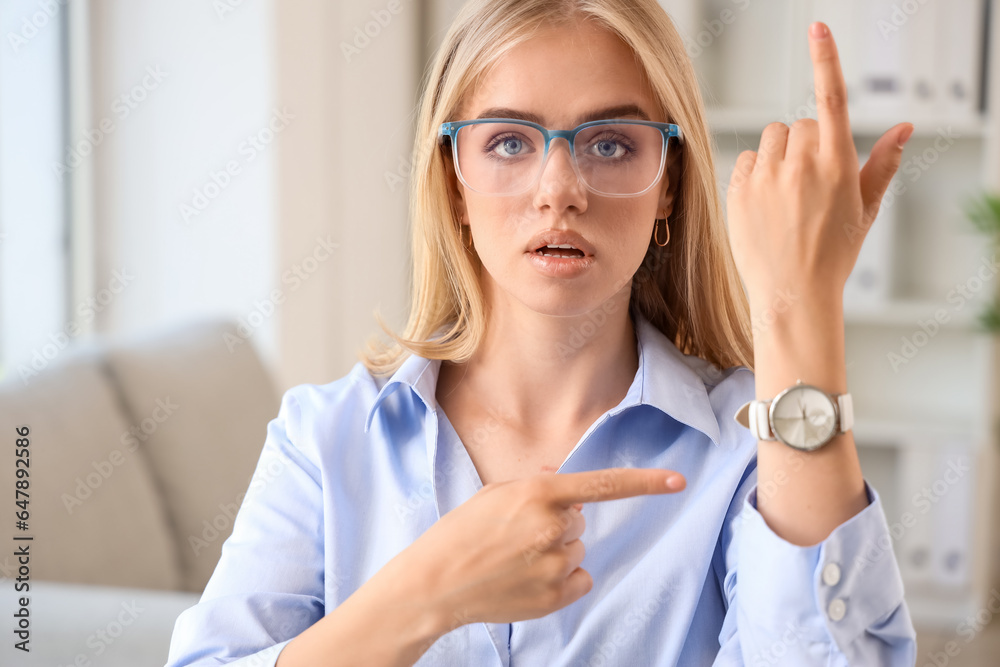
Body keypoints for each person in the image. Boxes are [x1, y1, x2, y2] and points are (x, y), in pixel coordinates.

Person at [164, 1, 918, 665]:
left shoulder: (754, 447)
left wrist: (798, 305)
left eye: (613, 143)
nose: (560, 190)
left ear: (670, 187)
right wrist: (429, 591)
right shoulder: (323, 439)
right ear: (453, 181)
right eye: (510, 143)